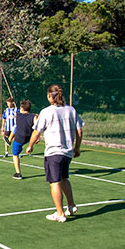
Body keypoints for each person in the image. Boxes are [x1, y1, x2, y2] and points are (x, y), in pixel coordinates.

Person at [26, 84, 83, 222]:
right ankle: (71, 205)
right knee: (64, 179)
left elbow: (36, 131)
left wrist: (30, 145)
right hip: (67, 153)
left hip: (53, 153)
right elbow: (79, 130)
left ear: (50, 96)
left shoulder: (46, 112)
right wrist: (77, 148)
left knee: (54, 182)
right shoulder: (71, 110)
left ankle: (60, 214)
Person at [9, 100, 36, 180]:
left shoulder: (18, 115)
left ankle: (18, 173)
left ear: (22, 109)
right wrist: (36, 139)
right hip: (29, 137)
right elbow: (37, 127)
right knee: (15, 128)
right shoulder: (33, 116)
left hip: (19, 138)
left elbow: (17, 111)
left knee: (15, 154)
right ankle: (9, 139)